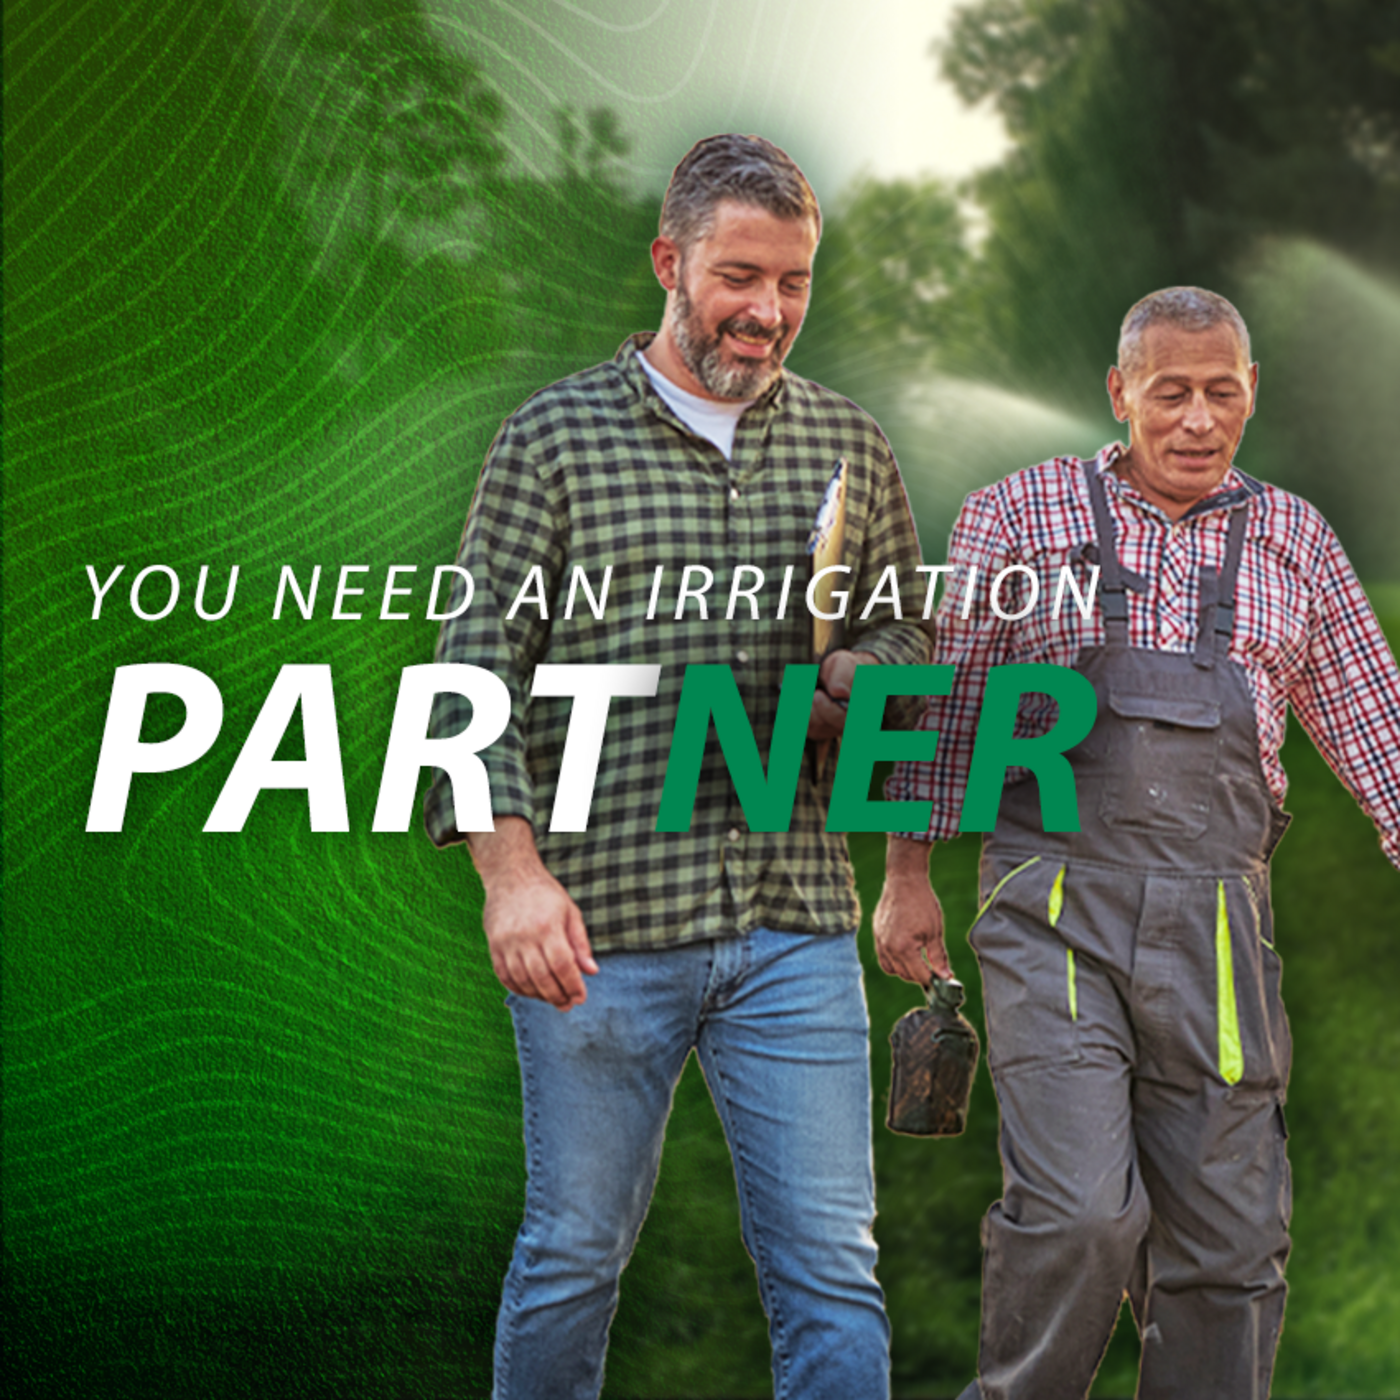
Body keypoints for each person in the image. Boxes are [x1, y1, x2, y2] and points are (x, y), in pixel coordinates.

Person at [424, 133, 934, 1400]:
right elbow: (468, 673)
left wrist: (864, 671)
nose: (767, 311)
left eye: (794, 282)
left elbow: (904, 628)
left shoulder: (846, 444)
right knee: (573, 1254)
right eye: (739, 276)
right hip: (603, 930)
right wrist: (511, 878)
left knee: (832, 1265)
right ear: (669, 262)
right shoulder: (551, 440)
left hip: (793, 923)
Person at [874, 286, 1400, 1400]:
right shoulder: (1014, 516)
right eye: (1171, 393)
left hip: (1216, 930)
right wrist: (904, 877)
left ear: (1250, 391)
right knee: (1077, 1212)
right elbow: (947, 707)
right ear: (1118, 395)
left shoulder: (1294, 538)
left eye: (1221, 392)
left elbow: (1376, 727)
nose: (1197, 420)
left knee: (1228, 1245)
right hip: (1051, 909)